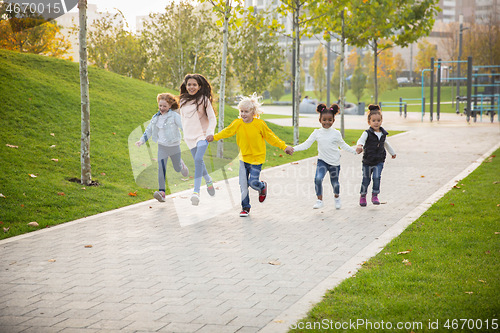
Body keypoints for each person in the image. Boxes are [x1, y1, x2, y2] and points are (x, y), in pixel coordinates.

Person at [206, 93, 294, 217]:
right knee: (243, 184)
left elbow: (271, 137)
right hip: (243, 159)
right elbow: (227, 132)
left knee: (252, 182)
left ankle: (262, 186)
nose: (243, 114)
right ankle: (245, 208)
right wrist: (214, 137)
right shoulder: (238, 123)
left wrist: (284, 146)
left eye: (246, 111)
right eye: (241, 111)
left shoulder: (259, 124)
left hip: (257, 159)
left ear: (253, 112)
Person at [293, 103, 357, 210]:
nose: (327, 122)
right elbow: (306, 144)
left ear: (333, 120)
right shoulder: (317, 132)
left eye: (329, 120)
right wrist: (293, 149)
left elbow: (343, 145)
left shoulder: (336, 133)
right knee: (318, 179)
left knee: (335, 183)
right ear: (320, 120)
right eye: (324, 120)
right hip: (322, 161)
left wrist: (354, 151)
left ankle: (337, 198)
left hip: (334, 163)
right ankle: (319, 200)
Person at [135, 93, 189, 203]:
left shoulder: (174, 116)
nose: (162, 108)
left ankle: (181, 165)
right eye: (160, 106)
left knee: (177, 168)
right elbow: (149, 130)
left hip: (174, 146)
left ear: (170, 106)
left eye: (164, 106)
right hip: (162, 147)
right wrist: (142, 140)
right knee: (161, 168)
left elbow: (184, 127)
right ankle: (162, 193)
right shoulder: (156, 118)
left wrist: (191, 137)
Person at [179, 74, 217, 206]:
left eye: (194, 84)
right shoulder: (183, 101)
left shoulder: (203, 100)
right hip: (189, 137)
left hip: (202, 135)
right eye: (189, 84)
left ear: (199, 86)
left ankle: (196, 192)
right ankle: (209, 180)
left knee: (198, 160)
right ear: (186, 86)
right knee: (199, 161)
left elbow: (212, 118)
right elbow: (183, 120)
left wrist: (210, 133)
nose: (191, 87)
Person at [356, 104, 396, 206]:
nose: (376, 123)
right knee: (366, 179)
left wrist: (392, 153)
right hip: (367, 161)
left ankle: (375, 195)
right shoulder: (367, 133)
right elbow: (361, 140)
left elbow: (386, 143)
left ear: (381, 121)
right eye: (374, 121)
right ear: (369, 122)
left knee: (377, 177)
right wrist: (359, 146)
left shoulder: (383, 134)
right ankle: (363, 196)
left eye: (378, 120)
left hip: (379, 160)